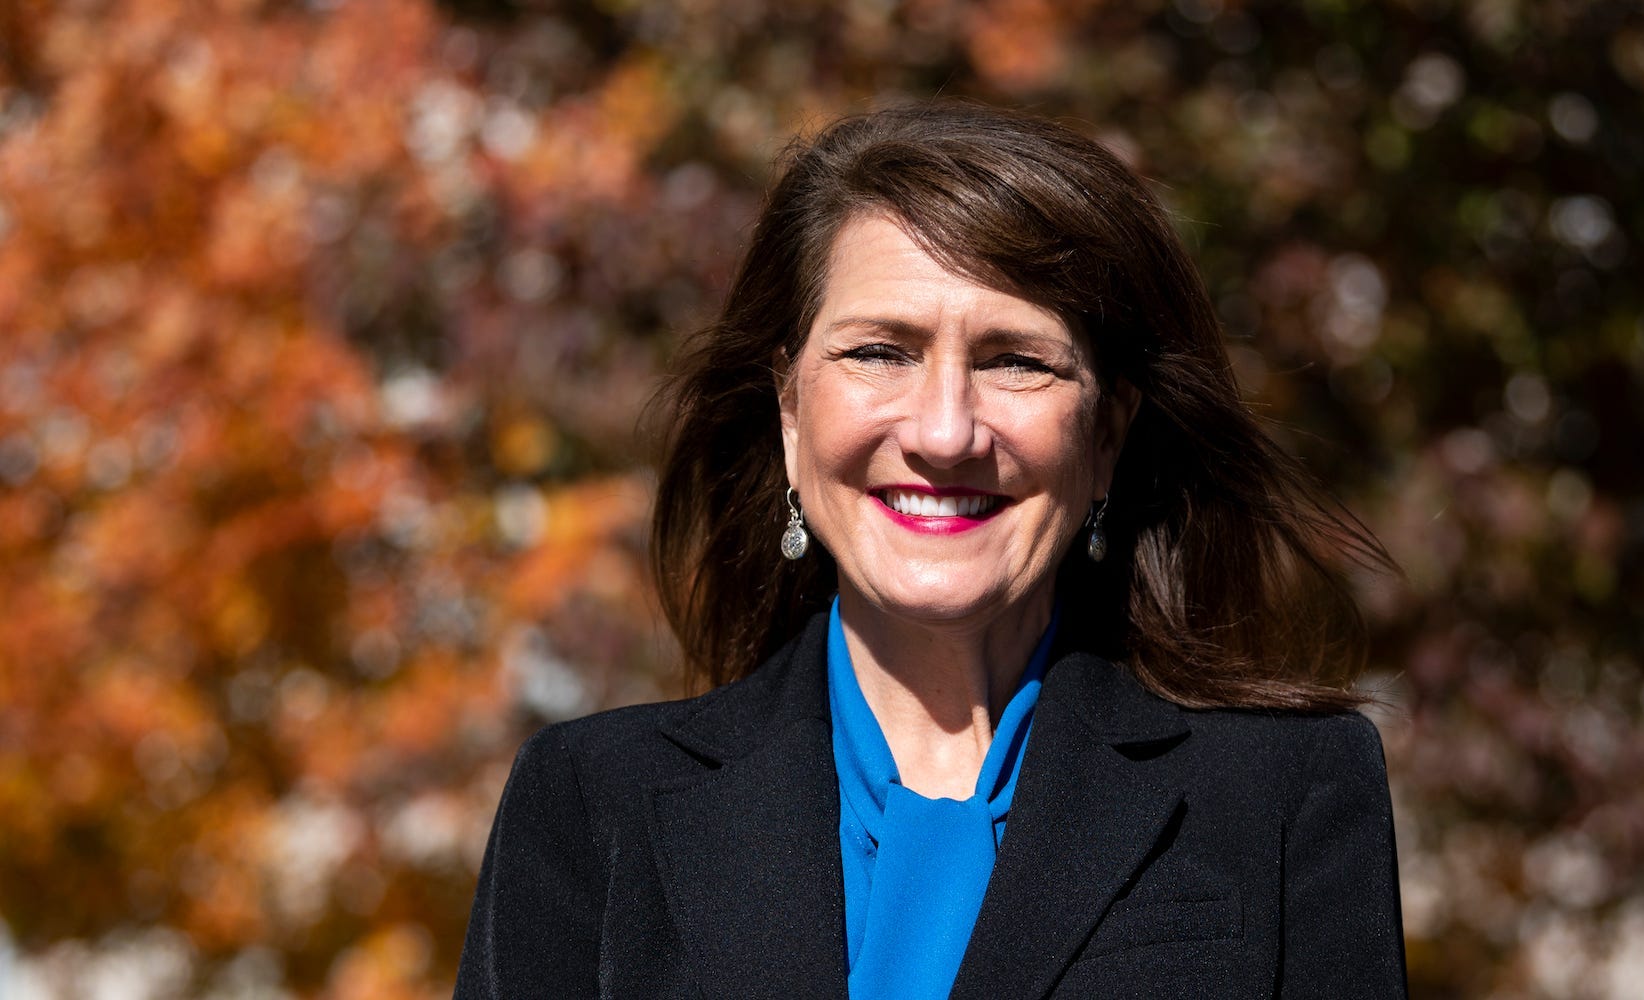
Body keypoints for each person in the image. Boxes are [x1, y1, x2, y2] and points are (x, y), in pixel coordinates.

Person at [454, 100, 1408, 999]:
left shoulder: (1287, 793)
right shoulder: (591, 803)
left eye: (1016, 361)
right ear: (790, 410)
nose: (946, 432)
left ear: (1107, 435)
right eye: (880, 351)